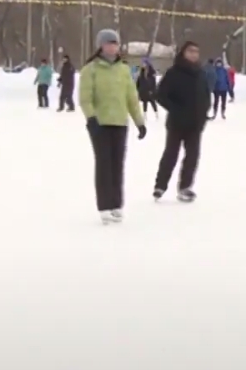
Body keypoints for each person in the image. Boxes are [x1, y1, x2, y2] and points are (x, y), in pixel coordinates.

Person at [80, 29, 147, 224]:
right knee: (104, 164)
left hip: (120, 123)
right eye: (109, 43)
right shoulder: (90, 69)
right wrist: (91, 119)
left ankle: (116, 203)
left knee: (117, 165)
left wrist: (139, 122)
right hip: (100, 124)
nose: (113, 47)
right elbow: (85, 98)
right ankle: (104, 206)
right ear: (101, 46)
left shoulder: (124, 69)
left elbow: (131, 98)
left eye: (115, 43)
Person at [153, 41, 209, 203]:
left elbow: (205, 95)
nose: (193, 54)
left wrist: (204, 114)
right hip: (177, 122)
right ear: (183, 53)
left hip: (195, 123)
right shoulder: (173, 72)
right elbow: (161, 95)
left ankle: (185, 187)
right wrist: (175, 109)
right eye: (190, 51)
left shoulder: (200, 73)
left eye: (196, 52)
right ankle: (160, 185)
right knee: (171, 154)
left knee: (192, 156)